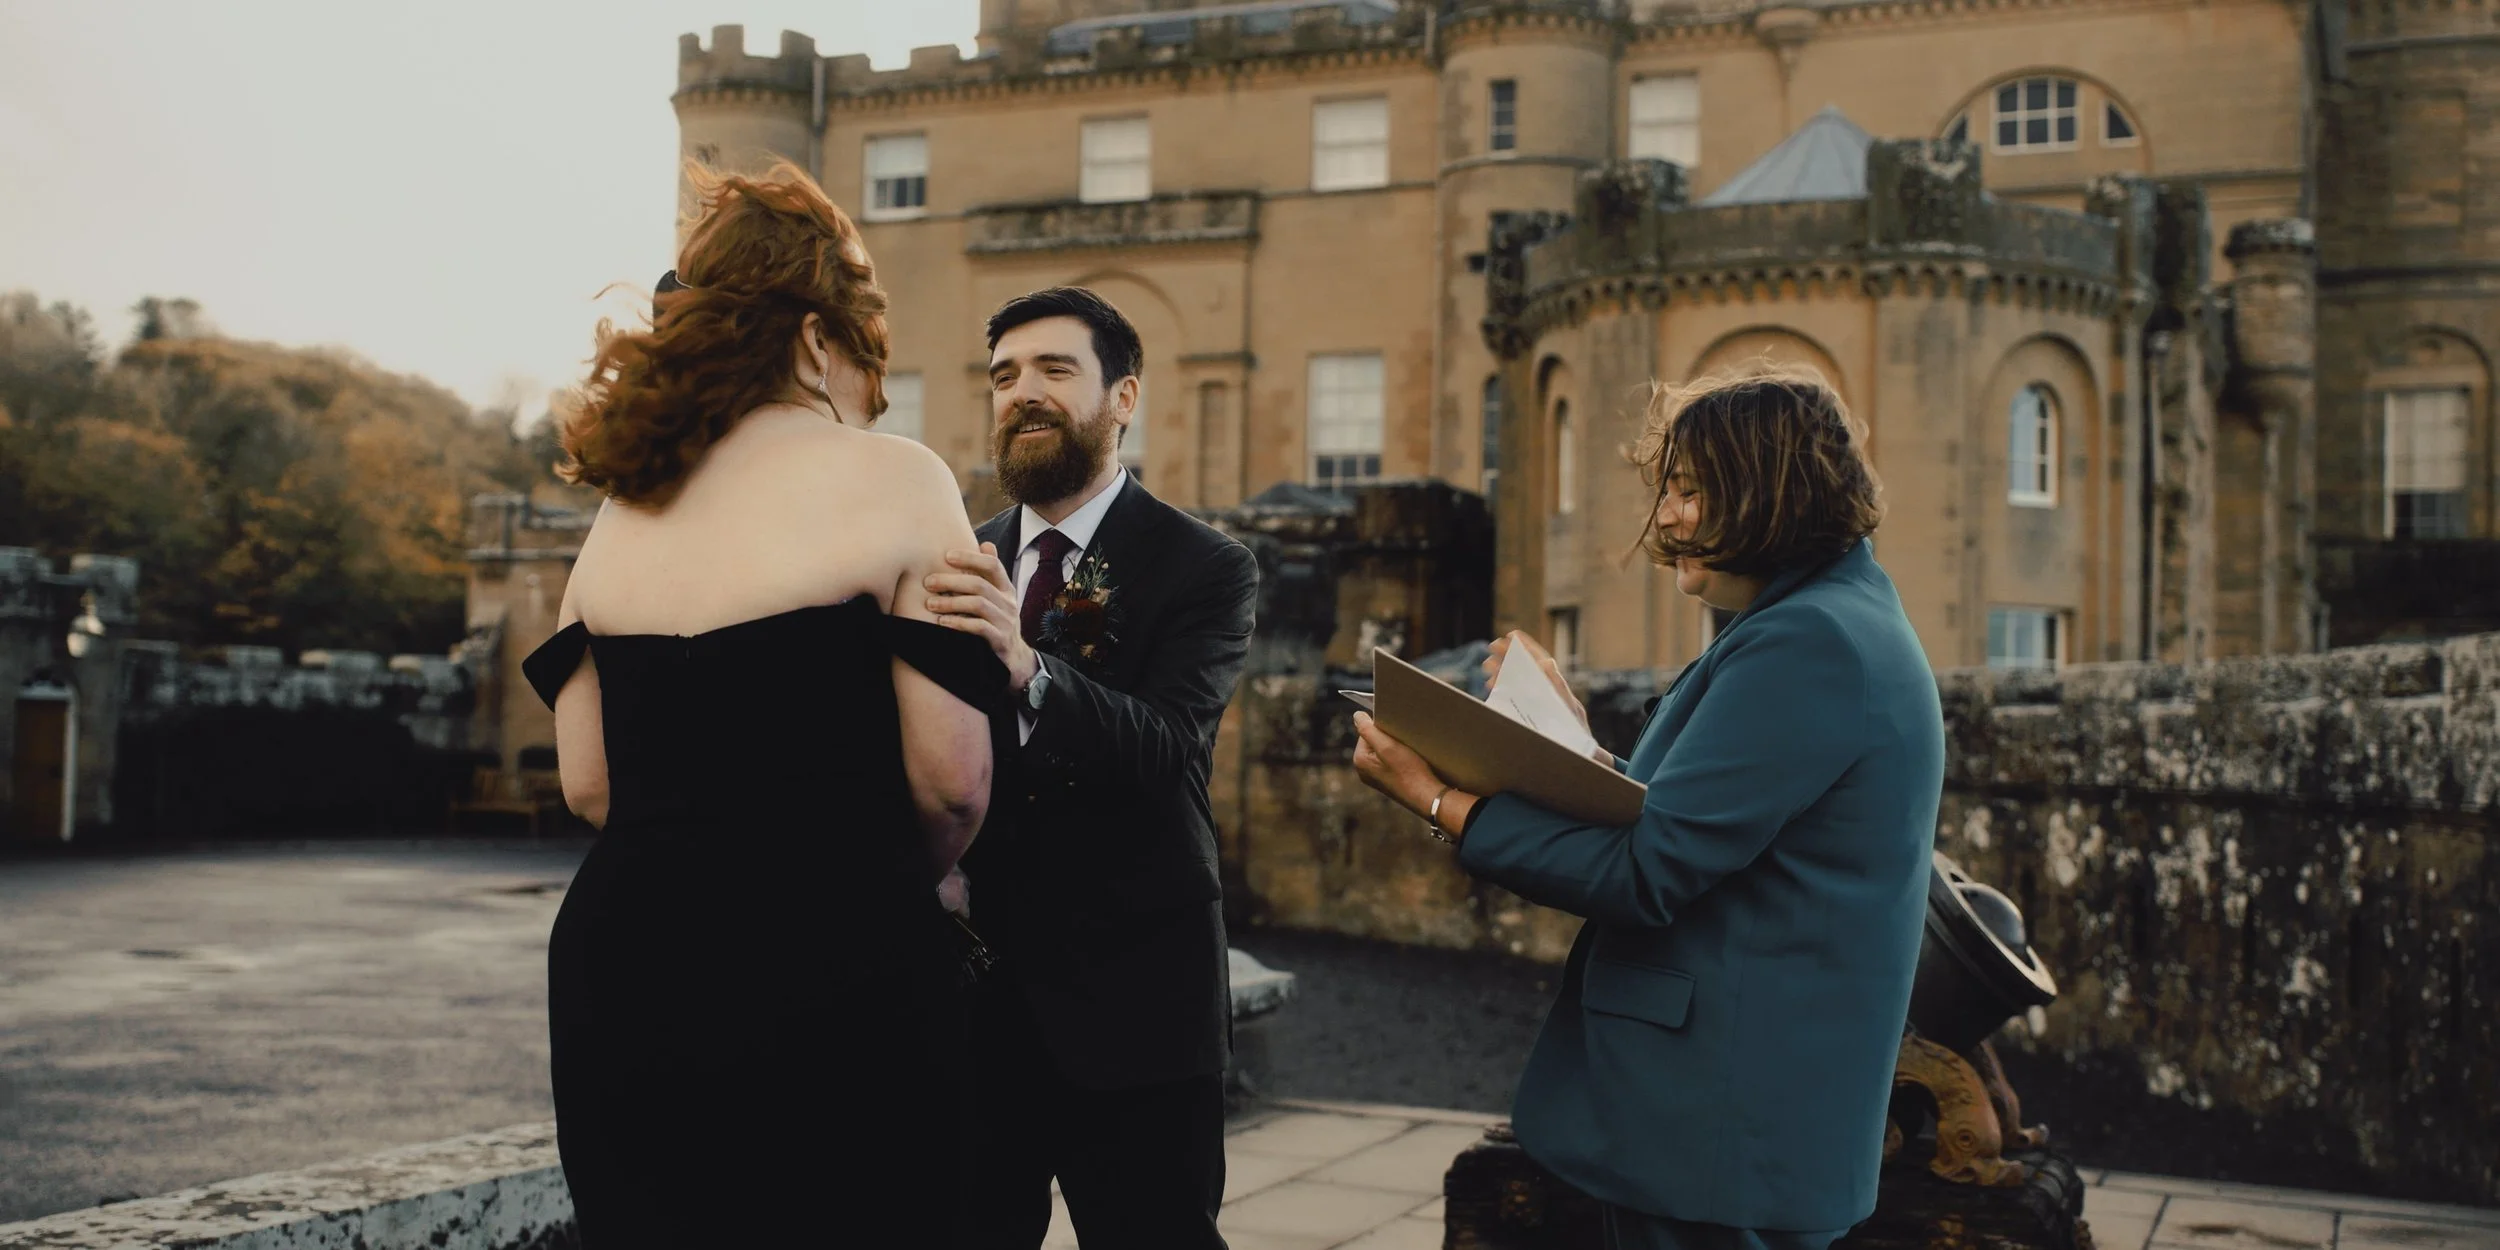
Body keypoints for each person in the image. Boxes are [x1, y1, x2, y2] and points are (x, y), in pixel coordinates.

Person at [518, 162, 1003, 1248]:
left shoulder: (623, 504)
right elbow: (953, 781)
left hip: (623, 964)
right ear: (815, 337)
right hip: (838, 956)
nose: (866, 401)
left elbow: (591, 784)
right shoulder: (900, 477)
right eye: (865, 364)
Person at [1350, 368, 1945, 1250]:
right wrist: (1573, 749)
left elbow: (1648, 871)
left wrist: (1440, 800)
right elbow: (1708, 824)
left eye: (1692, 489)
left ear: (1774, 490)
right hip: (1735, 1115)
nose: (1665, 517)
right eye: (1668, 487)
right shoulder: (1832, 616)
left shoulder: (1809, 640)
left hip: (1720, 1120)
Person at [924, 286, 1258, 1249]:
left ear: (1124, 397)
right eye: (1004, 377)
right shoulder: (958, 557)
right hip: (979, 1002)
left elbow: (1170, 750)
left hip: (1138, 1001)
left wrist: (1028, 668)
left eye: (1054, 371)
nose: (1023, 394)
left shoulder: (1203, 566)